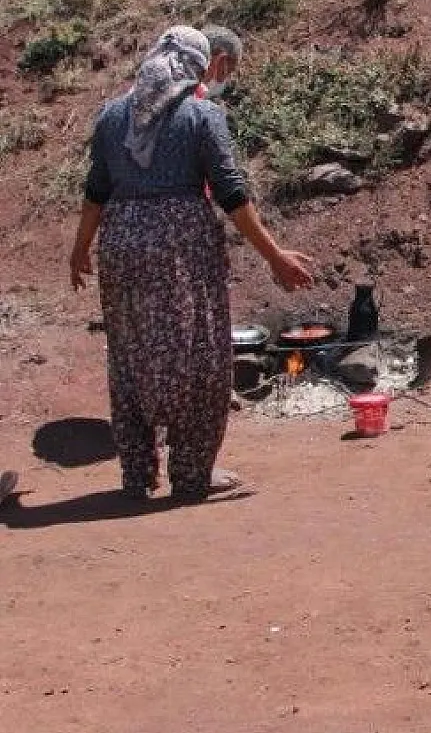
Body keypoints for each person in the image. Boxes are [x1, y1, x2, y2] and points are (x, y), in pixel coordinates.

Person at [69, 26, 315, 502]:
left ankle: (137, 475)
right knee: (198, 356)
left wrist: (80, 249)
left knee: (130, 356)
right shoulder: (202, 116)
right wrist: (275, 257)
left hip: (120, 245)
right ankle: (192, 473)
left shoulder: (112, 116)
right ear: (198, 65)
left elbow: (96, 190)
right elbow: (232, 195)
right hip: (181, 248)